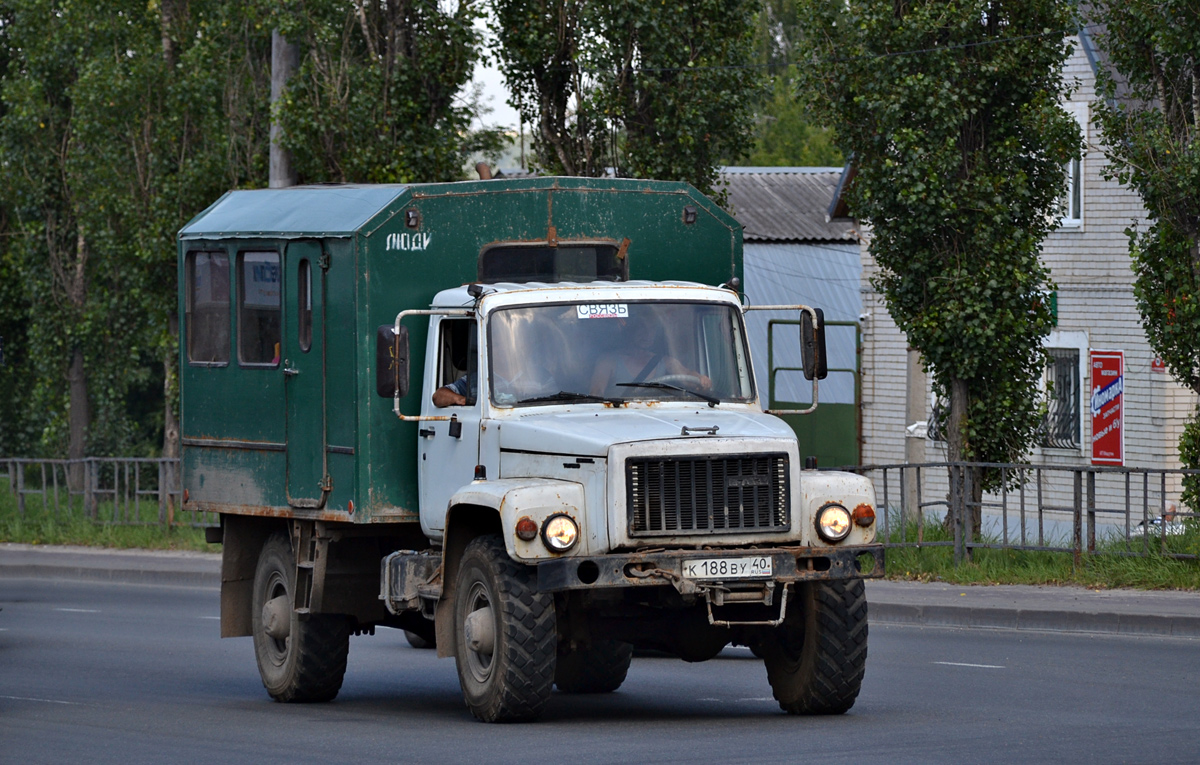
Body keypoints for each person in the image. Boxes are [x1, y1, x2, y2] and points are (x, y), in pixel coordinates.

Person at [590, 319, 711, 398]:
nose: (647, 334)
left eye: (652, 329)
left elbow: (686, 374)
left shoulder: (663, 361)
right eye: (642, 329)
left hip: (658, 414)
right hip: (618, 416)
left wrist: (700, 379)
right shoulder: (608, 361)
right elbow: (596, 393)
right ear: (631, 331)